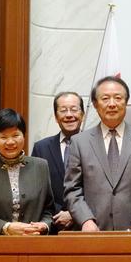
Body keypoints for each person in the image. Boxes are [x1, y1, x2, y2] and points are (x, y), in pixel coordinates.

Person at [63, 76, 131, 231]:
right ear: (95, 104)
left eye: (118, 98)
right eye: (105, 98)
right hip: (93, 233)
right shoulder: (79, 142)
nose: (112, 104)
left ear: (126, 102)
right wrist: (85, 220)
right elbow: (72, 189)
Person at [0, 108, 55, 235]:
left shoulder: (41, 166)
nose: (10, 142)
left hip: (34, 243)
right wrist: (5, 227)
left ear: (24, 135)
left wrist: (44, 225)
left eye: (15, 135)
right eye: (3, 137)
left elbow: (49, 209)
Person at [31, 91, 85, 232]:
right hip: (52, 225)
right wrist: (58, 215)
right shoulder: (41, 148)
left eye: (74, 109)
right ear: (56, 117)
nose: (69, 115)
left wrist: (74, 214)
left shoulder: (95, 145)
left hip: (87, 224)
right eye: (63, 110)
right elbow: (36, 190)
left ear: (82, 115)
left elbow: (100, 189)